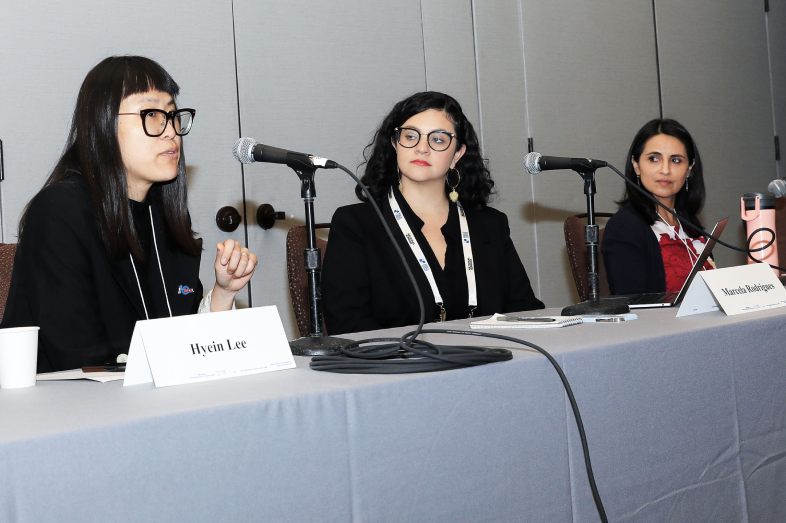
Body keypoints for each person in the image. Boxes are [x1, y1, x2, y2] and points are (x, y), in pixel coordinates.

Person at [1, 56, 258, 372]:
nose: (170, 131)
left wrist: (224, 292)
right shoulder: (59, 213)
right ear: (103, 124)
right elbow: (83, 360)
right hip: (73, 410)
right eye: (151, 114)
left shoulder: (165, 215)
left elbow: (188, 342)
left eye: (172, 114)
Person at [321, 91, 543, 335]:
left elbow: (524, 311)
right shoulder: (356, 224)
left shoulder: (490, 224)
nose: (421, 148)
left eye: (438, 139)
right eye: (410, 136)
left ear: (457, 154)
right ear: (395, 144)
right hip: (400, 367)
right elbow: (347, 323)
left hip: (487, 361)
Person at [601, 118, 713, 295]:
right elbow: (633, 304)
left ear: (689, 169)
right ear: (636, 165)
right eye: (654, 159)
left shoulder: (690, 222)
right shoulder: (624, 227)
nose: (665, 170)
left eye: (676, 160)